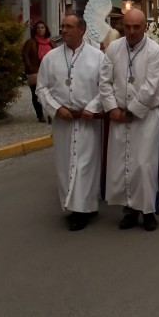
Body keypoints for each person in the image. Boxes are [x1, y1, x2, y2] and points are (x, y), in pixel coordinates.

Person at [100, 7, 159, 231]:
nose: (131, 31)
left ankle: (147, 211)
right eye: (127, 26)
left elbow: (151, 87)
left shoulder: (155, 51)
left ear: (144, 27)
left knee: (143, 164)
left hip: (145, 117)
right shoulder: (114, 48)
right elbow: (105, 81)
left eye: (136, 27)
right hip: (119, 115)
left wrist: (131, 111)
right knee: (122, 163)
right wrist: (112, 108)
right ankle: (129, 209)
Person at [36, 15, 104, 231]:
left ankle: (82, 209)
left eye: (69, 26)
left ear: (82, 30)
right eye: (62, 26)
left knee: (86, 165)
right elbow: (41, 88)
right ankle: (77, 205)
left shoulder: (98, 57)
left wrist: (91, 108)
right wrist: (56, 109)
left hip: (87, 120)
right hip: (63, 121)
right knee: (66, 164)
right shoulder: (51, 58)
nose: (64, 30)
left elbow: (105, 87)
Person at [22, 21, 55, 123]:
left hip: (49, 71)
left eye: (42, 28)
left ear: (46, 29)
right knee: (36, 94)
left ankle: (50, 114)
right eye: (38, 28)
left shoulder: (51, 42)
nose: (40, 29)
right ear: (35, 30)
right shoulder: (30, 42)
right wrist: (30, 67)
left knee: (51, 93)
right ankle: (40, 115)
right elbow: (25, 55)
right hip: (35, 72)